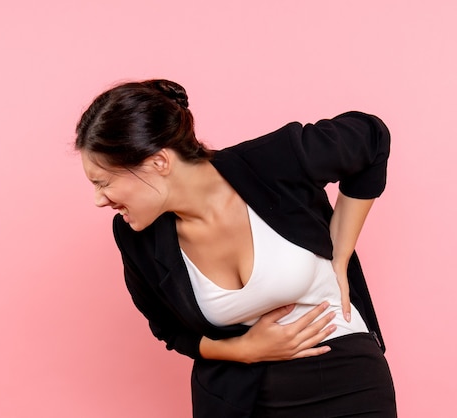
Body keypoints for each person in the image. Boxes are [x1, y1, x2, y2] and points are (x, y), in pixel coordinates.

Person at [75, 79, 396, 418]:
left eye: (104, 182)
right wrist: (242, 349)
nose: (99, 200)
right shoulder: (136, 236)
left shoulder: (272, 163)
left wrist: (340, 254)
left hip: (347, 381)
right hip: (237, 400)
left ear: (158, 162)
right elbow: (168, 329)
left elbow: (370, 136)